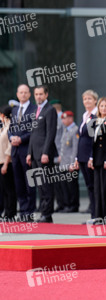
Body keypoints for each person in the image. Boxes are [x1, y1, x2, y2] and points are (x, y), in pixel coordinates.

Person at [26, 85, 58, 223]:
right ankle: (43, 211)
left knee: (46, 184)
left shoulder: (50, 110)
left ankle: (47, 213)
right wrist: (29, 153)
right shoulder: (36, 110)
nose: (38, 96)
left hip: (44, 154)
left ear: (46, 95)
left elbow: (51, 133)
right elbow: (32, 134)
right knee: (39, 184)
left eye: (41, 94)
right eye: (36, 94)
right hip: (34, 154)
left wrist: (45, 152)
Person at [9, 84, 37, 222]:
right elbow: (10, 128)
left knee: (29, 183)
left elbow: (33, 131)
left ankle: (30, 212)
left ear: (29, 94)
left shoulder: (34, 109)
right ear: (17, 94)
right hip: (15, 151)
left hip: (27, 150)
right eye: (21, 92)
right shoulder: (14, 110)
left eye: (26, 92)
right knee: (19, 183)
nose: (23, 95)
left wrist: (21, 139)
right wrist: (11, 137)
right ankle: (23, 210)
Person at [88, 97, 106, 224]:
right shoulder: (95, 121)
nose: (103, 108)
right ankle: (99, 215)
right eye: (101, 106)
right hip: (97, 159)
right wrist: (91, 158)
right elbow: (92, 142)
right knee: (98, 188)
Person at [73, 90, 97, 217]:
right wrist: (77, 157)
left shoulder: (96, 116)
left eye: (89, 99)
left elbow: (94, 139)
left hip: (89, 156)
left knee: (94, 186)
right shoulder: (85, 115)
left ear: (95, 100)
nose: (86, 101)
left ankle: (96, 214)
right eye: (84, 99)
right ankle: (93, 212)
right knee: (89, 186)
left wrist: (92, 156)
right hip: (82, 156)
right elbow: (81, 137)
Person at [60, 111, 80, 213]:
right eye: (63, 118)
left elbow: (75, 149)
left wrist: (73, 163)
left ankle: (73, 205)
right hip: (64, 163)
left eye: (65, 118)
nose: (63, 120)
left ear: (70, 119)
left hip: (70, 163)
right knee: (65, 186)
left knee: (72, 186)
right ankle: (67, 204)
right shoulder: (65, 130)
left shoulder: (75, 130)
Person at [0, 105, 17, 221]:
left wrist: (6, 164)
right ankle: (6, 212)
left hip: (7, 162)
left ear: (3, 115)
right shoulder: (3, 126)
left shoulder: (11, 126)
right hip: (1, 161)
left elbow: (10, 147)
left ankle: (10, 213)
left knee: (9, 189)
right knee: (3, 189)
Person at [50, 99, 65, 212]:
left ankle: (63, 204)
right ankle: (60, 204)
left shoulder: (62, 119)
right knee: (56, 182)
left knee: (61, 182)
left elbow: (64, 138)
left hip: (60, 154)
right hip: (55, 154)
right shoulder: (55, 119)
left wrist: (62, 154)